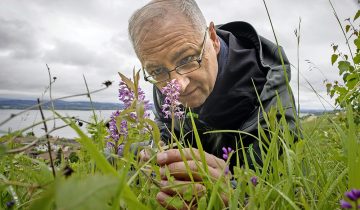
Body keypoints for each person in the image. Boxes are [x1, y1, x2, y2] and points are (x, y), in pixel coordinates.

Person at [128, 0, 297, 208]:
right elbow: (165, 133)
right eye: (157, 71)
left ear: (213, 39)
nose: (178, 86)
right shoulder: (164, 84)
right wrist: (156, 160)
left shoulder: (265, 80)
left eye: (187, 58)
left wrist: (233, 192)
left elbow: (282, 181)